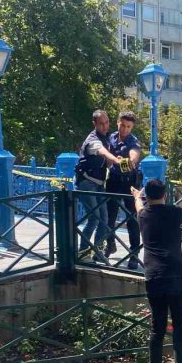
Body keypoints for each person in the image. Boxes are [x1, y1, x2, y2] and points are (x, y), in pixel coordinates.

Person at [132, 179, 182, 363]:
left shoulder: (143, 215)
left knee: (157, 327)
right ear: (165, 195)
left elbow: (139, 206)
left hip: (154, 276)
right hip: (176, 275)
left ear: (148, 196)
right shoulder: (175, 212)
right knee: (180, 327)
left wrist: (136, 196)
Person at [75, 110, 123, 263]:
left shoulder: (106, 138)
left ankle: (98, 252)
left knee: (105, 219)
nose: (105, 126)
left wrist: (115, 159)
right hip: (86, 183)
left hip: (99, 184)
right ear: (94, 124)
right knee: (94, 219)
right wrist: (115, 160)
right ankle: (82, 253)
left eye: (107, 122)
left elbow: (106, 161)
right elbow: (102, 152)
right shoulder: (92, 139)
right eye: (101, 123)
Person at [104, 111, 142, 270]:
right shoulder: (111, 137)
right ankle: (110, 244)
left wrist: (124, 162)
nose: (125, 129)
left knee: (132, 219)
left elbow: (134, 158)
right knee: (109, 217)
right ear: (118, 123)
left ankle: (133, 255)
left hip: (130, 184)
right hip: (112, 181)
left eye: (129, 127)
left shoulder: (133, 141)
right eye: (123, 125)